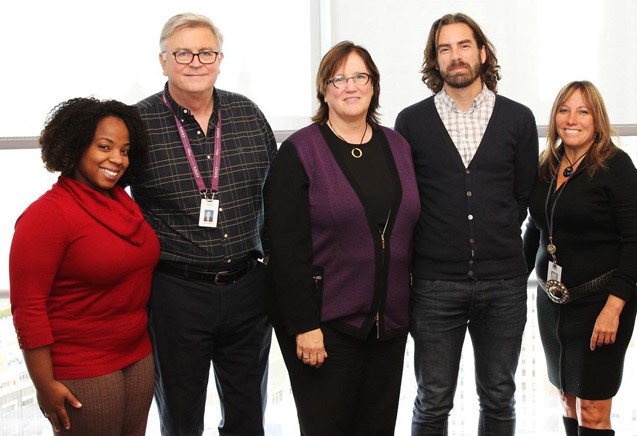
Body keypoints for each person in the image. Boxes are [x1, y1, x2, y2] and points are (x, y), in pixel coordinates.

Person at [131, 12, 277, 436]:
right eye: (183, 53)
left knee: (248, 417)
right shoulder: (136, 125)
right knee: (180, 417)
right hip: (176, 294)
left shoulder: (248, 115)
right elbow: (106, 202)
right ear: (163, 62)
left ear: (219, 59)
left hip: (248, 289)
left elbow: (278, 198)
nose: (196, 62)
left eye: (206, 52)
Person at [394, 13, 539, 435]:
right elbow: (408, 200)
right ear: (434, 60)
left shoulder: (518, 119)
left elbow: (523, 195)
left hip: (504, 285)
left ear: (482, 52)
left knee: (499, 395)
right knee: (433, 398)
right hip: (435, 285)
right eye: (444, 48)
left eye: (463, 45)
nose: (455, 56)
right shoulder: (411, 122)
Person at [266, 40, 420, 436]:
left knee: (378, 428)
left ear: (374, 85)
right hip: (325, 326)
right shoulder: (300, 151)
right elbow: (285, 248)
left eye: (360, 77)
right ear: (324, 89)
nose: (350, 87)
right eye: (339, 78)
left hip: (388, 325)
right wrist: (304, 325)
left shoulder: (397, 145)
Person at [10, 97, 158, 435]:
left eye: (124, 150)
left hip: (137, 356)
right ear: (75, 146)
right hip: (82, 367)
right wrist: (43, 384)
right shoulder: (46, 216)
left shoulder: (123, 202)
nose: (116, 159)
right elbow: (28, 308)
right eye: (104, 146)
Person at [522, 81, 637, 436]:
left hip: (601, 304)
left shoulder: (616, 167)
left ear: (597, 119)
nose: (572, 118)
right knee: (566, 397)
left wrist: (613, 308)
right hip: (553, 303)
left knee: (593, 408)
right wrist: (512, 280)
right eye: (564, 110)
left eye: (583, 111)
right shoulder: (546, 166)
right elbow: (536, 227)